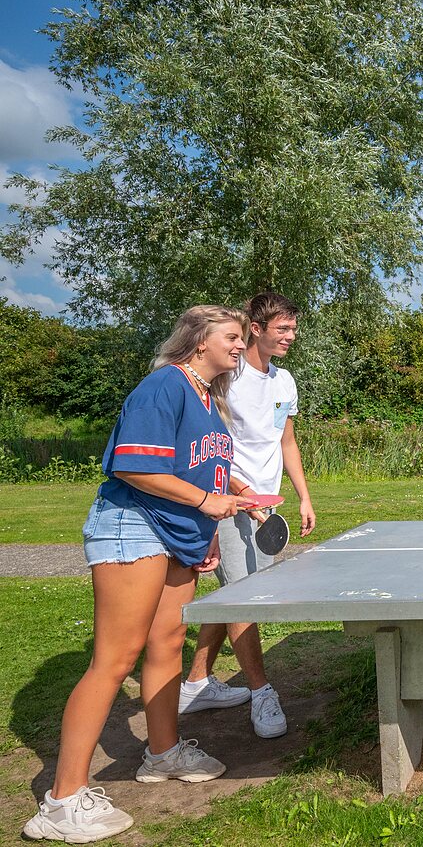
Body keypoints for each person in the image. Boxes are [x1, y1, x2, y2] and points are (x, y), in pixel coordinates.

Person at [24, 306, 257, 844]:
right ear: (199, 341)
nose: (241, 346)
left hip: (174, 534)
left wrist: (231, 497)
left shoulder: (208, 398)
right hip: (132, 528)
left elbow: (193, 466)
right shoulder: (164, 386)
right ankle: (61, 802)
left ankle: (162, 753)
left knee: (167, 644)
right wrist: (206, 500)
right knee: (116, 658)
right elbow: (133, 465)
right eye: (233, 337)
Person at [180, 292, 315, 739]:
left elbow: (286, 442)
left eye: (293, 329)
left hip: (267, 504)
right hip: (228, 500)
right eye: (283, 329)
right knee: (244, 595)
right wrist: (238, 492)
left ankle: (196, 681)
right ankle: (261, 692)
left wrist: (302, 496)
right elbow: (210, 444)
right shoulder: (226, 378)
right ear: (256, 328)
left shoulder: (285, 381)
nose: (291, 336)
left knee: (234, 593)